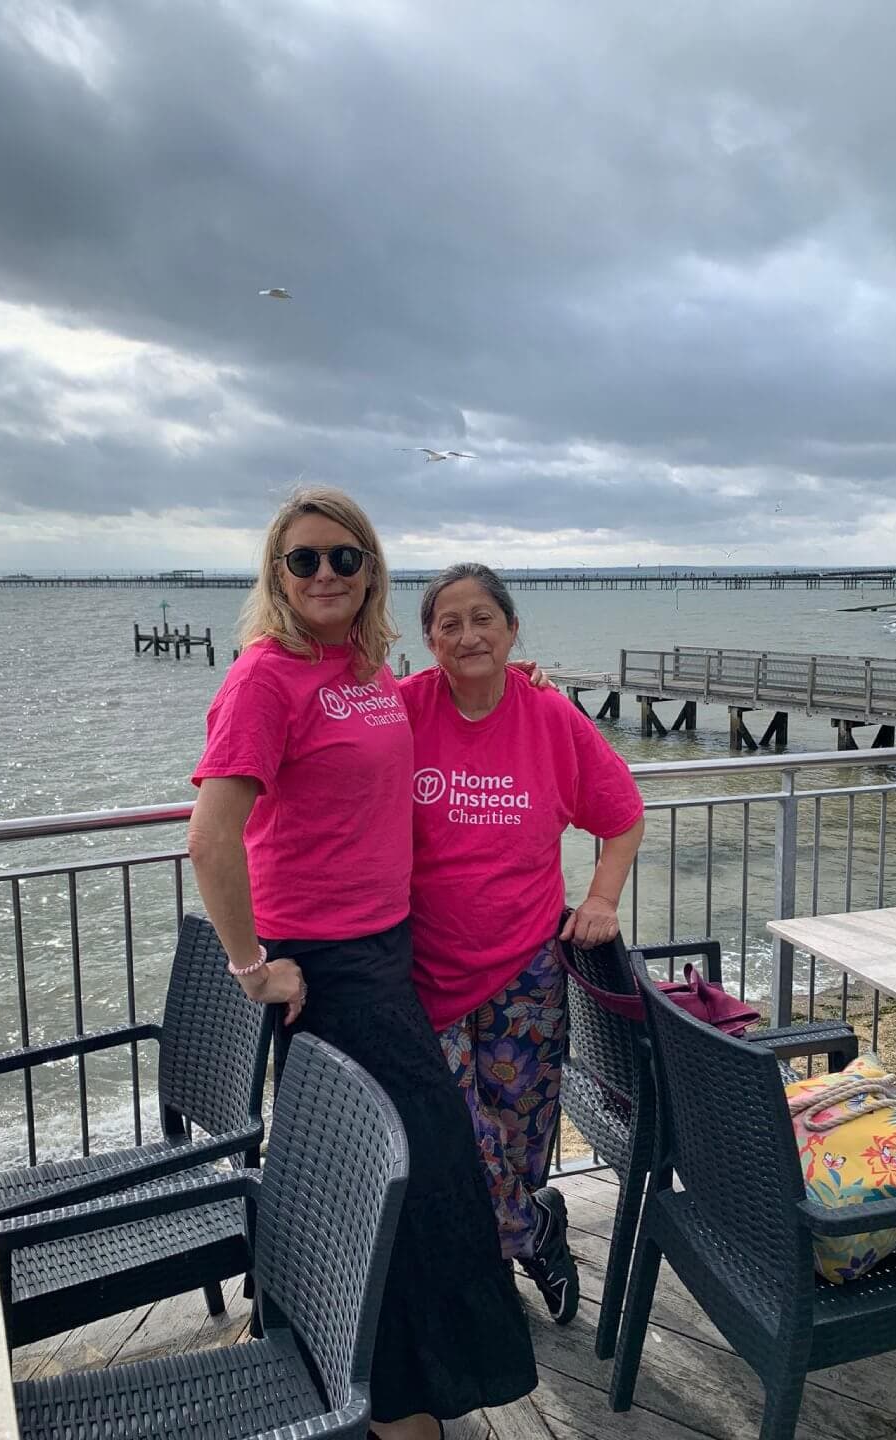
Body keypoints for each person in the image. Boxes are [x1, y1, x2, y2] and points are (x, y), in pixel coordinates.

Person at [187, 489, 536, 1440]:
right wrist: (252, 965)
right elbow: (211, 839)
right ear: (277, 575)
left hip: (391, 953)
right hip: (328, 973)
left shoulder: (367, 670)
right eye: (304, 561)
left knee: (401, 1187)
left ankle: (375, 1388)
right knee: (407, 1188)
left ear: (371, 569)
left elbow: (443, 717)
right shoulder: (266, 678)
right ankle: (393, 1404)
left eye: (346, 558)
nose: (327, 575)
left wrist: (517, 687)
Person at [398, 564, 645, 1327]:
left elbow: (622, 812)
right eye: (449, 623)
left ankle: (504, 1249)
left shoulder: (550, 717)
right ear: (429, 640)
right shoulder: (402, 711)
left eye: (483, 619)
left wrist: (602, 897)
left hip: (526, 969)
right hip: (424, 971)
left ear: (511, 631)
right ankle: (532, 1229)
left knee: (519, 1133)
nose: (468, 635)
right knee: (453, 1142)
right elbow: (329, 728)